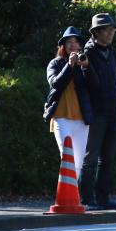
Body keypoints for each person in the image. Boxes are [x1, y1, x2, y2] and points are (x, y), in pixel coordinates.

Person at [80, 13, 116, 211]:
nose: (111, 32)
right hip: (97, 112)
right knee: (91, 157)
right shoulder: (88, 53)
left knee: (108, 157)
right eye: (107, 29)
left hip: (113, 109)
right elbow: (92, 84)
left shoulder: (111, 52)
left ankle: (103, 197)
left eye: (112, 29)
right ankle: (87, 199)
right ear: (96, 32)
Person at [44, 27, 96, 175]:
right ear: (63, 46)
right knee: (67, 159)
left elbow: (95, 85)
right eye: (69, 42)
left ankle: (75, 197)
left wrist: (87, 67)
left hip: (82, 119)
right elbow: (55, 83)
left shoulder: (83, 63)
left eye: (76, 42)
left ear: (80, 45)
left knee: (79, 163)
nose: (73, 45)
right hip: (61, 119)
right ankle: (67, 196)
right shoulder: (54, 64)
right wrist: (69, 65)